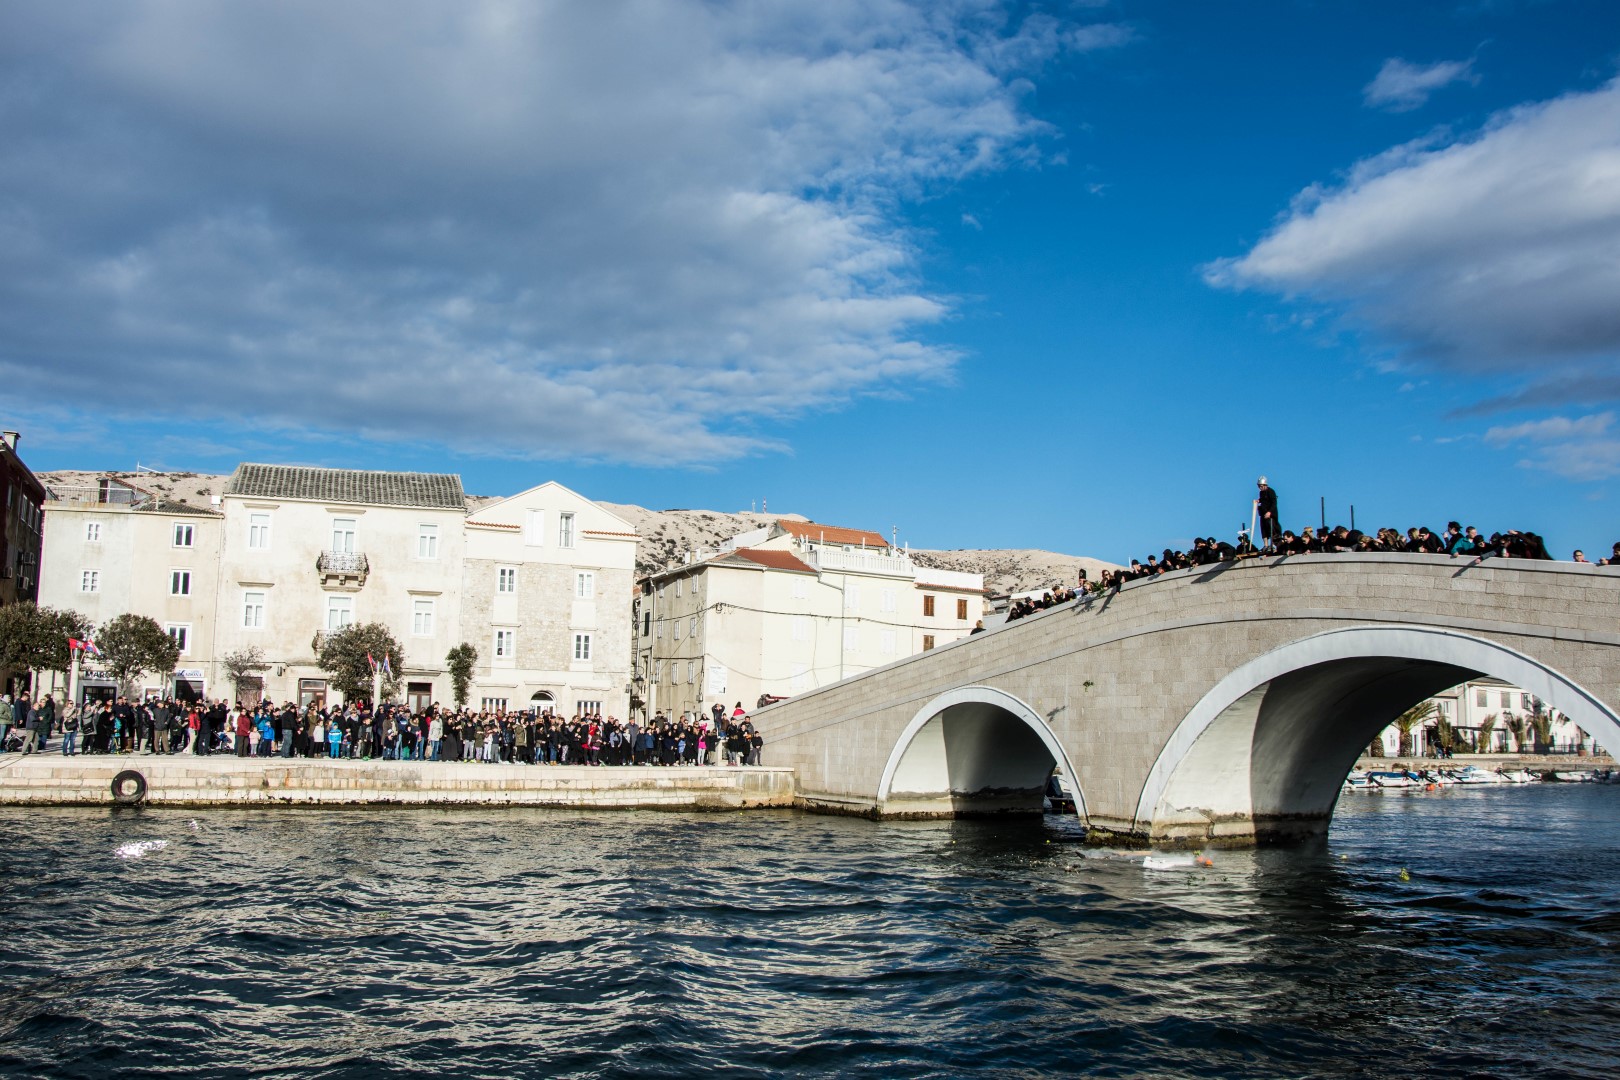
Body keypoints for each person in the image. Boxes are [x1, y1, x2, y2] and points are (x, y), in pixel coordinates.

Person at [1255, 477, 1279, 553]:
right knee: (1263, 529)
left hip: (1270, 514)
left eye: (1261, 486)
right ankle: (1266, 545)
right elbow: (1263, 499)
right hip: (1263, 513)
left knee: (1271, 529)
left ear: (1265, 485)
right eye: (1259, 486)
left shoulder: (1271, 491)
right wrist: (1258, 500)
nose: (1260, 488)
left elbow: (1274, 503)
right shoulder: (1261, 493)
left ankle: (1273, 545)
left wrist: (1270, 512)